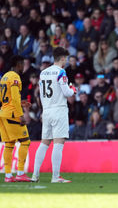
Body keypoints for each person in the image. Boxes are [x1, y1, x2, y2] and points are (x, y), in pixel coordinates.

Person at [31, 47, 77, 183]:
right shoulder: (61, 72)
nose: (67, 61)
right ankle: (55, 176)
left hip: (47, 110)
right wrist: (73, 89)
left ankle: (35, 175)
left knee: (44, 142)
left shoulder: (43, 73)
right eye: (66, 58)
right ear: (62, 58)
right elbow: (67, 92)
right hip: (59, 109)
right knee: (59, 142)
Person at [0, 55, 32, 182]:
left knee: (9, 144)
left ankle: (8, 175)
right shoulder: (15, 77)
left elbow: (4, 98)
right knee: (25, 141)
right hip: (13, 115)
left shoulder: (5, 77)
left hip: (3, 113)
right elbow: (13, 97)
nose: (23, 67)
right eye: (22, 64)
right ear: (18, 64)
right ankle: (20, 173)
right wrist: (20, 114)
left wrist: (21, 102)